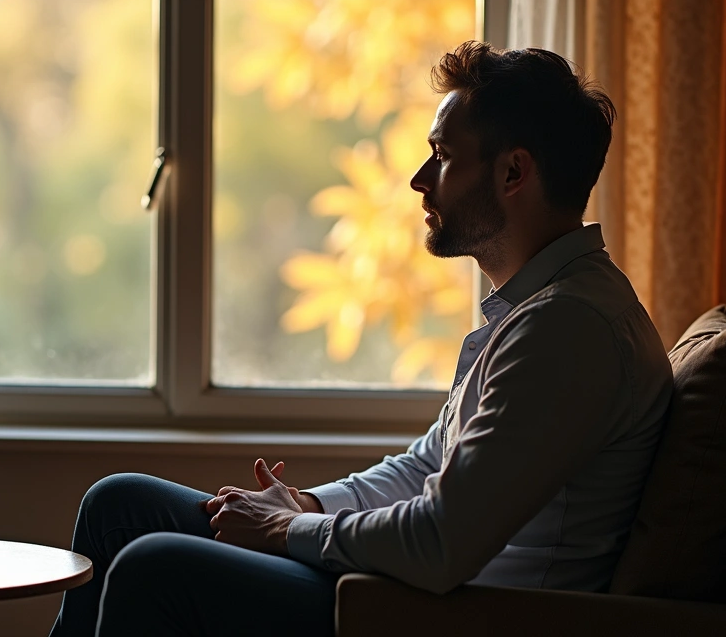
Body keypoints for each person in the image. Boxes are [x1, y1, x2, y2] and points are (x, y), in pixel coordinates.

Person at [49, 40, 673, 637]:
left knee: (152, 566)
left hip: (449, 616)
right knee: (120, 505)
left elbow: (438, 541)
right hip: (416, 591)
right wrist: (308, 507)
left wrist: (285, 531)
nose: (419, 179)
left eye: (444, 155)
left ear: (514, 172)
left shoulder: (570, 330)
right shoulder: (538, 309)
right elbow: (427, 466)